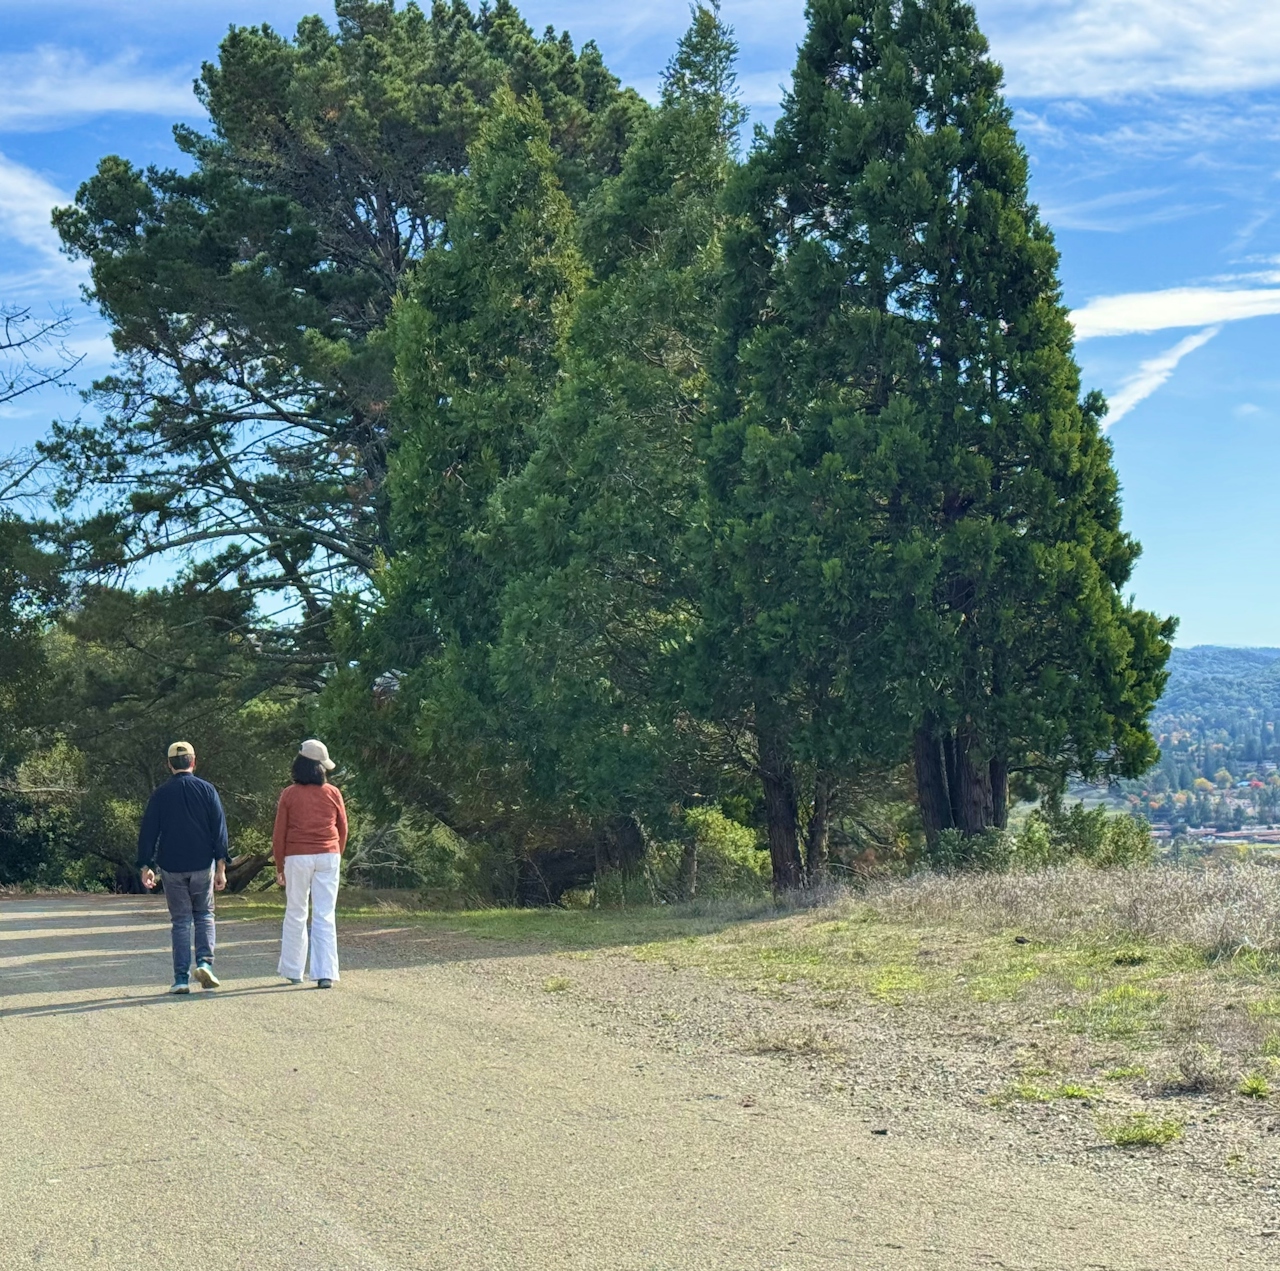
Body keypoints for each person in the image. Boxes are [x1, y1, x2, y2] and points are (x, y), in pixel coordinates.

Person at [137, 741, 229, 994]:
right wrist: (221, 866)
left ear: (169, 765)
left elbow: (148, 832)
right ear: (193, 761)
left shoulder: (160, 794)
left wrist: (146, 865)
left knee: (180, 921)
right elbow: (219, 831)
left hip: (172, 865)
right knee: (204, 915)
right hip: (202, 863)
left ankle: (180, 979)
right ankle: (204, 964)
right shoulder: (208, 790)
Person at [273, 739, 348, 988]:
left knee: (296, 912)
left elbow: (279, 832)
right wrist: (336, 853)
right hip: (328, 853)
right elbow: (343, 828)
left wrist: (280, 866)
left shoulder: (289, 794)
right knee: (325, 914)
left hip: (297, 856)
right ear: (319, 768)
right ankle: (325, 972)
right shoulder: (333, 793)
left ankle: (293, 970)